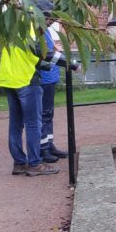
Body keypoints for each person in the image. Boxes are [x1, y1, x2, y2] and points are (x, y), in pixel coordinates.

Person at [0, 6, 76, 176]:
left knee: (16, 124)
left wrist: (45, 65)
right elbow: (39, 51)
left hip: (8, 79)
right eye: (49, 20)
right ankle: (34, 164)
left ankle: (19, 163)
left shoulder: (14, 25)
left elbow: (24, 54)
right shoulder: (31, 26)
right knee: (33, 123)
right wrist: (68, 61)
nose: (49, 24)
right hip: (26, 80)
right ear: (41, 16)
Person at [39, 17, 68, 163]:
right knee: (44, 114)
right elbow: (46, 54)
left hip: (50, 77)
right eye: (50, 18)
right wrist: (69, 63)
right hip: (43, 79)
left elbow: (50, 50)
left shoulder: (47, 31)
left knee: (49, 114)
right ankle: (43, 149)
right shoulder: (39, 31)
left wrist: (56, 49)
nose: (52, 21)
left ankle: (49, 145)